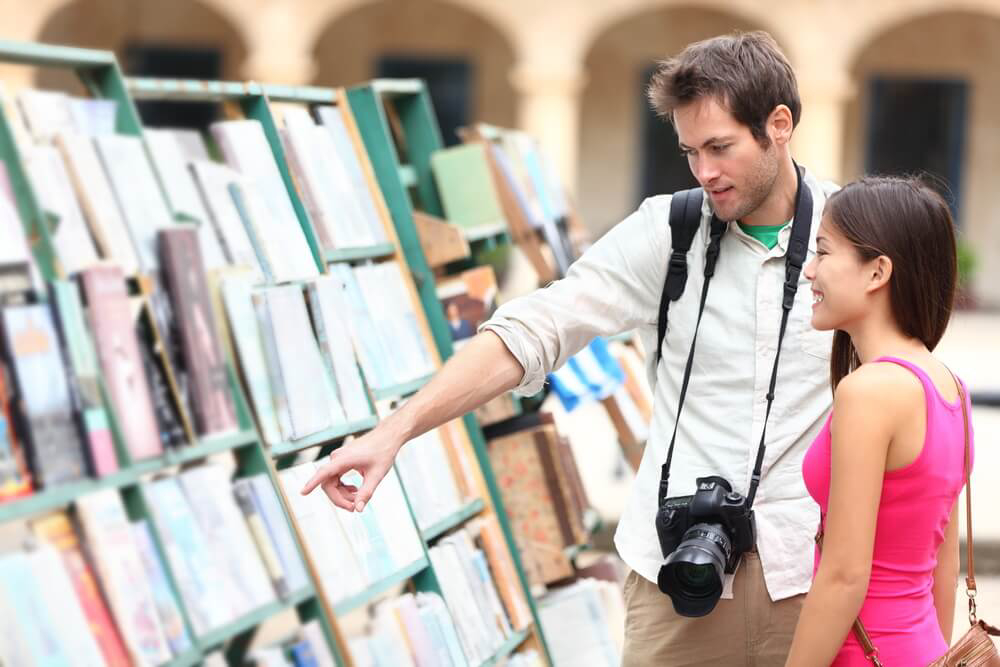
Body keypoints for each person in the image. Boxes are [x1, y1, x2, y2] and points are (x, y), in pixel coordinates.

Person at [302, 31, 837, 665]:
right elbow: (533, 327)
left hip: (815, 579)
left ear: (779, 125)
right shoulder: (668, 230)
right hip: (674, 586)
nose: (704, 172)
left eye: (720, 147)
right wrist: (393, 432)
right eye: (691, 151)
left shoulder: (851, 234)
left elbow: (910, 394)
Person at [786, 177, 969, 665]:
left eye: (823, 252)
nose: (810, 272)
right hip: (922, 649)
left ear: (877, 272)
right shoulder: (947, 385)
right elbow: (941, 566)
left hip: (864, 654)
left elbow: (845, 575)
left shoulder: (868, 391)